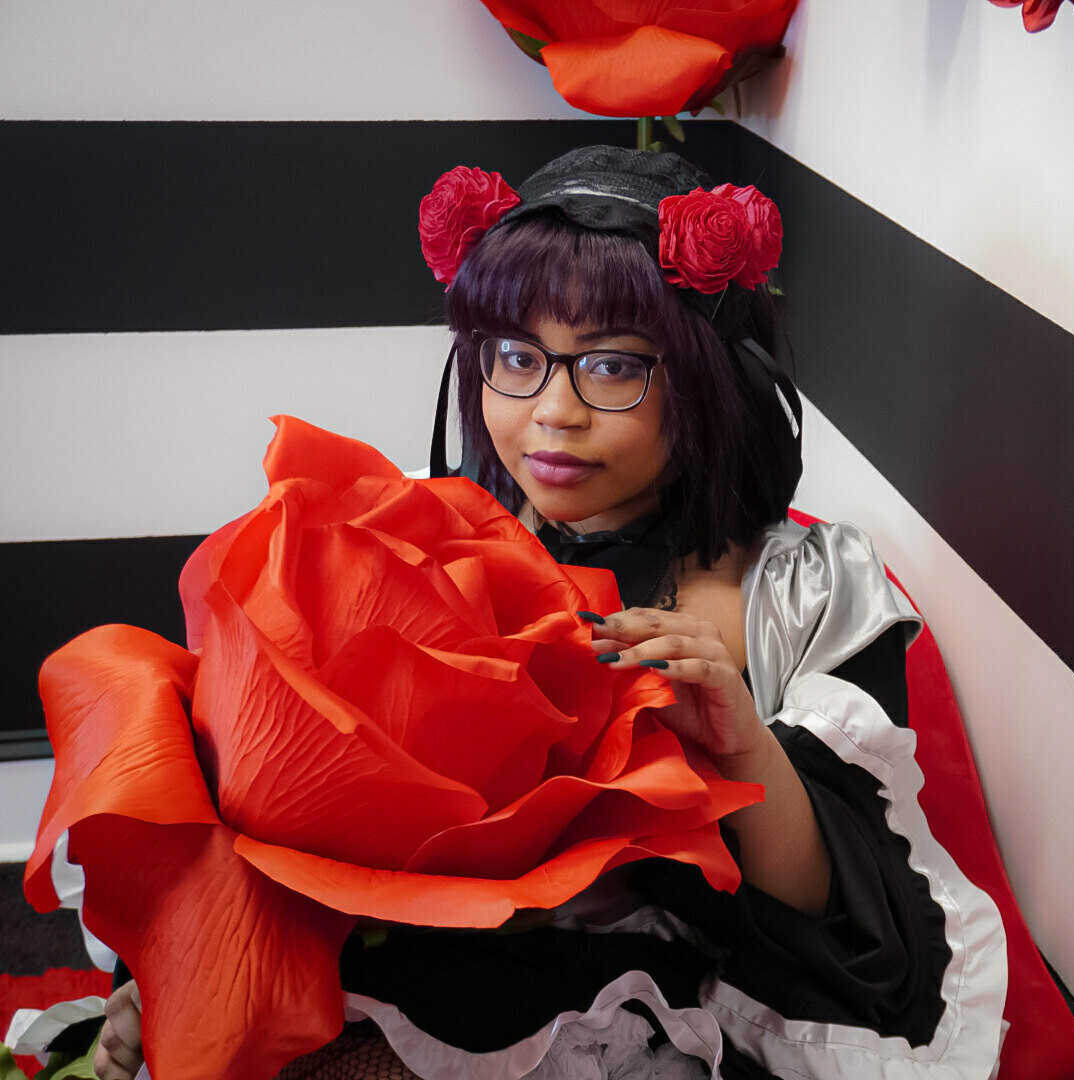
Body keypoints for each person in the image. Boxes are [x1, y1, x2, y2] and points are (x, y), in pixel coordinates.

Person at [94, 146, 1007, 1080]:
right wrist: (203, 958)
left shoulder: (805, 590)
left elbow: (850, 928)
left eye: (611, 366)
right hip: (400, 954)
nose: (554, 412)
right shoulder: (410, 536)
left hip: (655, 1003)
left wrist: (745, 747)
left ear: (706, 377)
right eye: (516, 357)